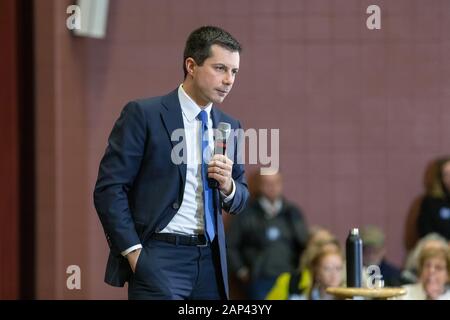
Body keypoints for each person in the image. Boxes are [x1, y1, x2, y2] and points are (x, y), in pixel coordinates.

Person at [93, 26, 249, 300]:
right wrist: (134, 253)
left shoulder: (229, 126)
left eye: (234, 72)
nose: (229, 80)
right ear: (191, 65)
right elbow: (110, 189)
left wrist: (228, 187)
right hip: (159, 257)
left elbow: (241, 197)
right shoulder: (144, 115)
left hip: (211, 261)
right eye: (221, 68)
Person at [227, 171, 308, 299]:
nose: (272, 187)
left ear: (281, 184)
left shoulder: (292, 213)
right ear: (260, 185)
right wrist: (241, 271)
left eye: (276, 182)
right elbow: (230, 245)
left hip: (289, 278)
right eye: (267, 183)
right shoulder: (246, 213)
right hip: (259, 280)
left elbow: (304, 243)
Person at [417, 157, 450, 241]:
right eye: (446, 174)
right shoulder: (430, 202)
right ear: (440, 179)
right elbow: (425, 233)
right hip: (440, 250)